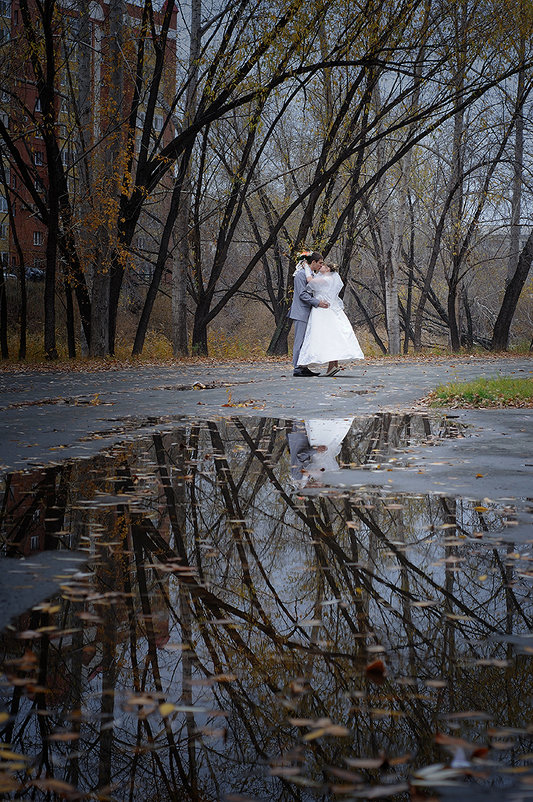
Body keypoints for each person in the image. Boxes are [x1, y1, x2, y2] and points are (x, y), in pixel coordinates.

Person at [297, 262, 364, 376]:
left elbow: (310, 281)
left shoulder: (326, 279)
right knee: (333, 336)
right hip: (331, 309)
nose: (321, 267)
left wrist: (307, 268)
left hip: (323, 310)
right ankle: (332, 366)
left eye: (323, 266)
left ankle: (330, 365)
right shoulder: (328, 278)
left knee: (324, 337)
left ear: (327, 269)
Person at [289, 251, 329, 377]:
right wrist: (317, 302)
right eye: (320, 263)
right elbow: (302, 294)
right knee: (299, 341)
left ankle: (303, 366)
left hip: (308, 312)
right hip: (301, 311)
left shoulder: (310, 274)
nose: (321, 266)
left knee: (305, 341)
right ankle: (297, 367)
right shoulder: (301, 275)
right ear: (313, 262)